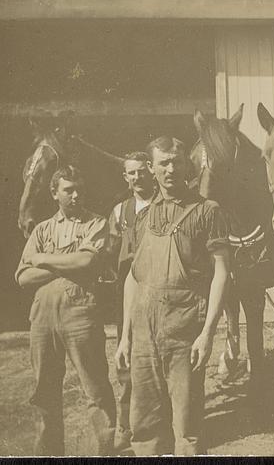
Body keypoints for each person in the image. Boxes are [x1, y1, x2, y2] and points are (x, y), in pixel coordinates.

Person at [114, 137, 230, 456]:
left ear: (185, 165)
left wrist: (207, 333)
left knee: (187, 430)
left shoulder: (208, 211)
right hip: (143, 336)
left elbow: (222, 272)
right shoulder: (142, 216)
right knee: (144, 428)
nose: (170, 168)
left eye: (176, 161)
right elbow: (133, 279)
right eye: (163, 162)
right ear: (151, 168)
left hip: (184, 332)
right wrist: (124, 336)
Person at [15, 165, 116, 456]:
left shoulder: (96, 223)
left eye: (79, 189)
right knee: (44, 393)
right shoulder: (42, 228)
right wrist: (65, 263)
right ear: (54, 193)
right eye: (68, 190)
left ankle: (103, 453)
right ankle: (48, 453)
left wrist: (43, 259)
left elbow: (86, 264)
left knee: (95, 390)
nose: (75, 195)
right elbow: (23, 277)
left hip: (81, 316)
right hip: (42, 319)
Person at [105, 151, 155, 452]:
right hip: (129, 293)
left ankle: (159, 422)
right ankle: (125, 424)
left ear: (151, 172)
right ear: (125, 177)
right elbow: (112, 254)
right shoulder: (120, 212)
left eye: (141, 171)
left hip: (159, 290)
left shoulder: (163, 206)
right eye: (131, 173)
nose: (137, 178)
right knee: (127, 359)